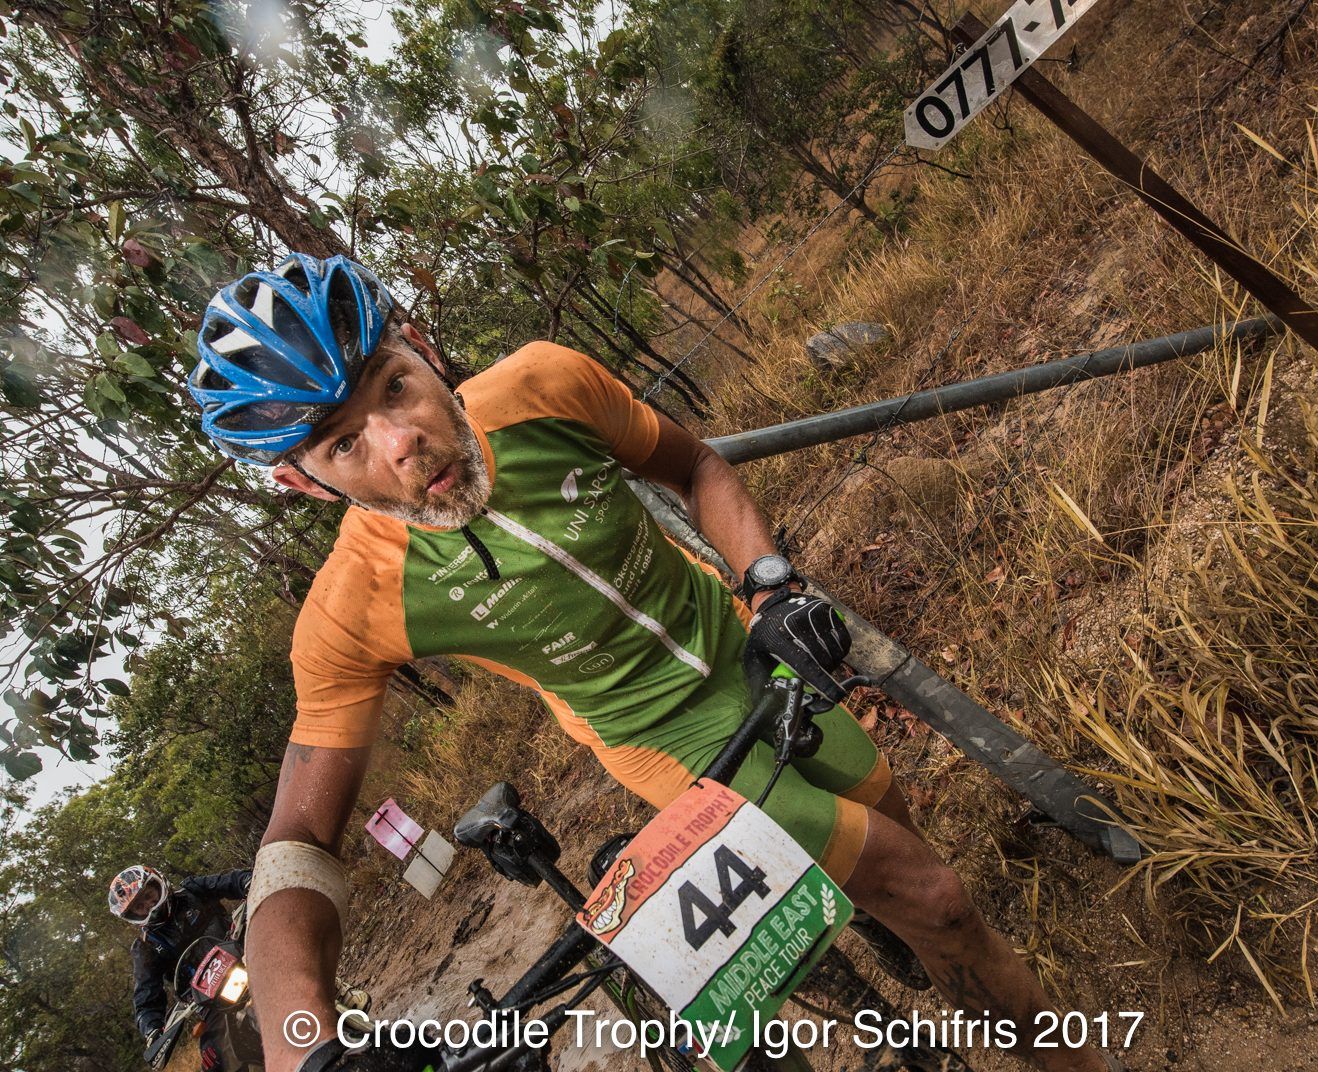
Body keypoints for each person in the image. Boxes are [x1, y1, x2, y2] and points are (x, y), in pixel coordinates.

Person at [187, 253, 1116, 1072]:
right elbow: (298, 843)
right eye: (344, 443)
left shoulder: (544, 385)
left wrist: (769, 588)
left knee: (893, 835)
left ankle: (902, 937)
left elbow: (696, 469)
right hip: (667, 745)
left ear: (422, 347)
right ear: (302, 481)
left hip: (753, 656)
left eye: (392, 387)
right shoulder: (352, 608)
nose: (398, 441)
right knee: (939, 899)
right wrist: (300, 1049)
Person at [109, 863, 252, 1071]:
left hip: (246, 953)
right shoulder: (146, 947)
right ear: (133, 916)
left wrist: (247, 882)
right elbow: (146, 995)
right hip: (211, 1002)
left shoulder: (193, 890)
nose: (149, 905)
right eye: (139, 907)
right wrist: (152, 1029)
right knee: (215, 1058)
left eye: (149, 895)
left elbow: (230, 881)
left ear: (158, 883)